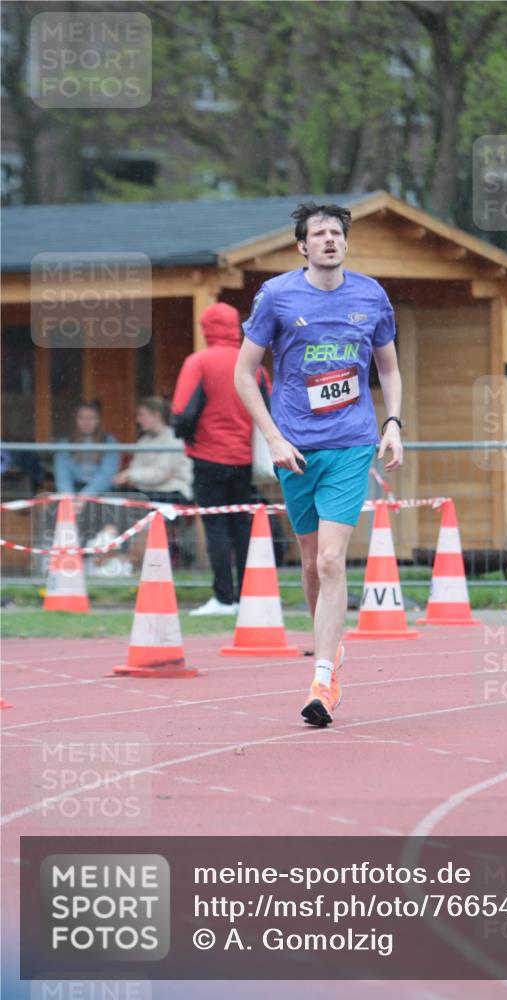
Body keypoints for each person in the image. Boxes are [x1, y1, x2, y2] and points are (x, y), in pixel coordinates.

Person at [234, 201, 403, 727]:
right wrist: (273, 439)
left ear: (346, 243)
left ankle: (323, 678)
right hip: (296, 450)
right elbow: (244, 374)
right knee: (310, 565)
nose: (330, 239)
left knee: (332, 562)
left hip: (351, 443)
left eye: (337, 232)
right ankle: (328, 646)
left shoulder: (371, 295)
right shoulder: (278, 296)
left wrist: (393, 423)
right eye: (319, 233)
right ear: (303, 246)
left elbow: (389, 368)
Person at [171, 302, 266, 615]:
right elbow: (270, 410)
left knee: (215, 526)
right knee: (242, 526)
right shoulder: (255, 365)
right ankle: (248, 595)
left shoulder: (199, 362)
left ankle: (223, 598)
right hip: (245, 460)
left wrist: (186, 435)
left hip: (208, 458)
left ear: (207, 328)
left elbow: (182, 413)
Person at [113, 396, 193, 504]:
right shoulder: (143, 440)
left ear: (156, 415)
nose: (138, 420)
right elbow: (136, 469)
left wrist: (130, 475)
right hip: (150, 492)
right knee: (115, 494)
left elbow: (161, 474)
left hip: (173, 492)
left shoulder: (173, 439)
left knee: (134, 504)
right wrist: (133, 476)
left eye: (142, 415)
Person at [53, 401, 120, 496]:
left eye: (91, 418)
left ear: (98, 420)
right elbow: (63, 476)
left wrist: (85, 496)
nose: (86, 422)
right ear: (75, 420)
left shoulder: (109, 442)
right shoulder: (65, 443)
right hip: (74, 491)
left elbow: (106, 475)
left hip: (103, 492)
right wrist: (69, 497)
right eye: (82, 418)